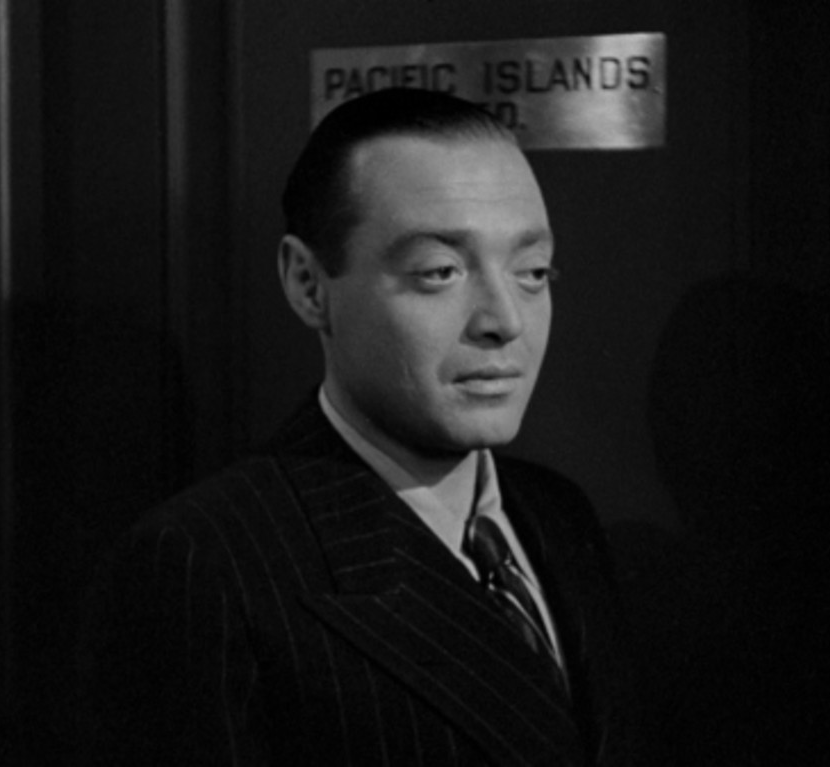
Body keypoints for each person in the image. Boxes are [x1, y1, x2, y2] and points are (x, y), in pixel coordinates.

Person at [80, 88, 632, 766]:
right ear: (309, 285)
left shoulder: (558, 515)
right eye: (439, 272)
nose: (505, 320)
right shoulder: (209, 565)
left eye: (533, 272)